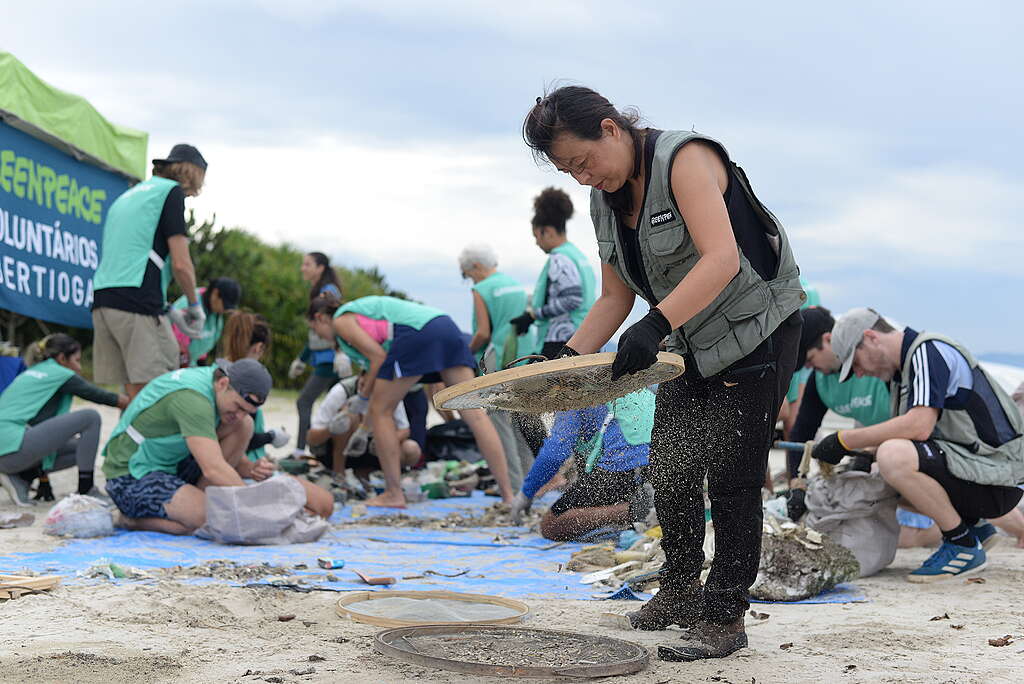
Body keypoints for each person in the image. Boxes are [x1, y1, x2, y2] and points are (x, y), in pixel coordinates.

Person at [523, 86, 804, 660]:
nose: (582, 178)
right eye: (568, 171)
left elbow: (721, 259)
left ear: (610, 128)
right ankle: (678, 589)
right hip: (686, 345)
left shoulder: (686, 159)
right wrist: (562, 358)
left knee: (732, 477)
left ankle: (724, 616)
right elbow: (611, 298)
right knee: (672, 468)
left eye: (583, 161)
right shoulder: (606, 200)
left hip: (757, 334)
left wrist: (654, 326)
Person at [814, 307, 1024, 582]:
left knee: (893, 456)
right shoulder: (902, 373)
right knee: (874, 476)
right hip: (979, 470)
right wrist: (865, 455)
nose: (861, 374)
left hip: (1000, 475)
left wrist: (844, 440)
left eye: (856, 363)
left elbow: (918, 426)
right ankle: (975, 528)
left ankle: (961, 544)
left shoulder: (927, 350)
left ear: (872, 337)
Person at [307, 294, 513, 507]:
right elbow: (376, 373)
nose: (318, 336)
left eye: (314, 329)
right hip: (445, 325)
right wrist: (363, 428)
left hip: (417, 332)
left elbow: (378, 359)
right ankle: (508, 496)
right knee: (476, 416)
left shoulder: (342, 319)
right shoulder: (364, 313)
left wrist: (361, 399)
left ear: (321, 318)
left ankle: (393, 494)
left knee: (381, 412)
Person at [102, 359, 333, 535]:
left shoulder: (219, 391)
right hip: (130, 474)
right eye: (237, 406)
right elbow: (213, 468)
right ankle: (129, 519)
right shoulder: (193, 398)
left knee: (245, 426)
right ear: (223, 383)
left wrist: (250, 468)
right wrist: (258, 503)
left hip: (169, 463)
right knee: (206, 519)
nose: (239, 414)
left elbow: (211, 452)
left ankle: (196, 499)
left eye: (247, 409)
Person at [91, 144, 208, 402]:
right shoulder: (171, 193)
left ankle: (126, 443)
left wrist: (165, 309)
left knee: (133, 396)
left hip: (103, 301)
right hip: (136, 305)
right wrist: (193, 305)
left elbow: (133, 256)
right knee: (158, 394)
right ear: (193, 173)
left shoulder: (129, 196)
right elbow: (181, 263)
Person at [0, 335, 128, 505]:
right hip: (11, 446)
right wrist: (137, 400)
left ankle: (22, 478)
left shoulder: (34, 371)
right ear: (62, 358)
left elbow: (40, 428)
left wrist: (44, 482)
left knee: (80, 449)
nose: (79, 367)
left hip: (9, 447)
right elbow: (102, 396)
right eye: (77, 360)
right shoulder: (61, 373)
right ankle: (86, 489)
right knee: (90, 417)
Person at [511, 389, 655, 541]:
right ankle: (644, 502)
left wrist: (526, 493)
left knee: (550, 526)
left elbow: (556, 450)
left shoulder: (572, 391)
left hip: (624, 465)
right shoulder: (627, 379)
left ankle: (633, 511)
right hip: (654, 461)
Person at [509, 188, 596, 359]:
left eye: (536, 236)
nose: (536, 243)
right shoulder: (577, 256)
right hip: (585, 334)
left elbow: (572, 299)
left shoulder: (560, 258)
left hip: (562, 339)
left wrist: (534, 314)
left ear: (546, 231)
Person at [306, 375, 421, 478]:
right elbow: (311, 439)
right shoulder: (342, 391)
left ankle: (385, 475)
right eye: (363, 385)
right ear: (360, 377)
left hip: (373, 447)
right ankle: (339, 473)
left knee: (411, 449)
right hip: (342, 449)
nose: (366, 391)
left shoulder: (389, 393)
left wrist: (386, 440)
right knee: (349, 417)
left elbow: (404, 429)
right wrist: (331, 429)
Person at [289, 252, 343, 456]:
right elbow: (316, 332)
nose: (303, 268)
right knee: (336, 406)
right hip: (323, 357)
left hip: (331, 359)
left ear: (320, 268)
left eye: (307, 264)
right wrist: (301, 359)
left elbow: (334, 324)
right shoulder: (317, 291)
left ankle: (301, 450)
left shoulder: (328, 292)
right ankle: (329, 453)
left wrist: (339, 352)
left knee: (304, 401)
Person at [219, 311, 290, 460]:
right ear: (259, 348)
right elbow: (241, 438)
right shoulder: (246, 382)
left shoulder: (217, 371)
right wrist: (271, 436)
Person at [458, 243, 531, 372]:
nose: (470, 279)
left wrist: (466, 354)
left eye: (466, 275)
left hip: (500, 356)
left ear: (476, 266)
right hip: (527, 350)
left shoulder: (480, 289)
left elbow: (483, 333)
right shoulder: (515, 284)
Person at [171, 277, 242, 367]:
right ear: (215, 293)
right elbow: (177, 345)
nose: (224, 310)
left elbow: (204, 346)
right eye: (224, 305)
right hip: (172, 360)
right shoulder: (190, 305)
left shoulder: (215, 313)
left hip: (192, 364)